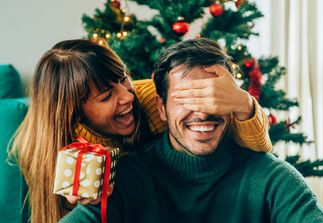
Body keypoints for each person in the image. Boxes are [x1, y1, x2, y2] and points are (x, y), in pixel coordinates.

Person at [60, 38, 323, 223]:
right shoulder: (124, 177)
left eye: (212, 97)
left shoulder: (271, 178)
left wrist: (244, 102)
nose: (203, 111)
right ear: (161, 107)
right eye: (186, 98)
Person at [9, 39, 272, 223]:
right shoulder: (58, 153)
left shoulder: (152, 98)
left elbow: (258, 148)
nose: (126, 96)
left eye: (123, 78)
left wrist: (243, 102)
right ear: (75, 113)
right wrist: (72, 203)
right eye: (105, 96)